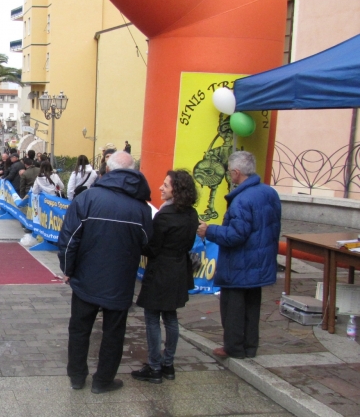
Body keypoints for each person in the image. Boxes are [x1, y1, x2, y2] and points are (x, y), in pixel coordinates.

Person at [57, 151, 152, 393]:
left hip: (86, 279)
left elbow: (69, 240)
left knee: (79, 329)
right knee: (114, 333)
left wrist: (67, 270)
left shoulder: (87, 198)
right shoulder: (141, 207)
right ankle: (103, 380)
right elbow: (147, 242)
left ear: (107, 170)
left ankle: (77, 377)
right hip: (120, 281)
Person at [197, 150, 281, 359]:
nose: (227, 175)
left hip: (240, 263)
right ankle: (250, 346)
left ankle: (234, 347)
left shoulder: (242, 200)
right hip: (260, 261)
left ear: (236, 173)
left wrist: (210, 230)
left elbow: (235, 235)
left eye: (228, 172)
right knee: (252, 307)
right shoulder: (269, 192)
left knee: (233, 308)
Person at [132, 169, 199, 384]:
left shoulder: (164, 216)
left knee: (152, 318)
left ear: (177, 190)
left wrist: (138, 243)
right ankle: (168, 364)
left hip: (161, 270)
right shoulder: (192, 214)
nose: (161, 188)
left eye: (166, 185)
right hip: (179, 270)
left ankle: (154, 367)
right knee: (170, 317)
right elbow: (189, 244)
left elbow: (153, 248)